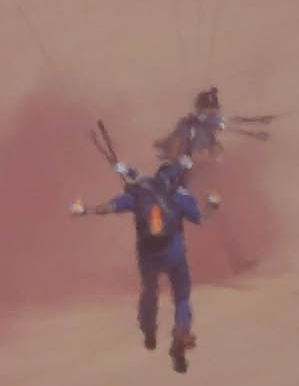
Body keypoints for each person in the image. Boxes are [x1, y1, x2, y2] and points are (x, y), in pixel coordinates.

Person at [73, 152, 210, 372]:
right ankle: (180, 332)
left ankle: (148, 331)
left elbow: (110, 207)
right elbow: (200, 217)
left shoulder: (140, 194)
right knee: (182, 297)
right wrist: (213, 205)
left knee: (149, 289)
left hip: (149, 255)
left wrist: (86, 210)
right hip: (174, 255)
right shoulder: (180, 195)